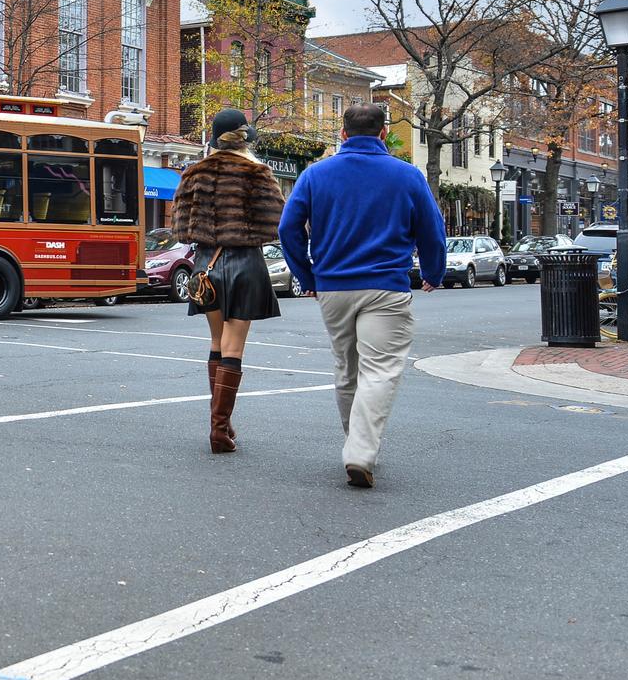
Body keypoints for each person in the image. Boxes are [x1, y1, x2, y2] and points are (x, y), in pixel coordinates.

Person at [277, 102, 446, 489]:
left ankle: (355, 442)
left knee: (346, 370)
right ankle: (360, 450)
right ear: (384, 133)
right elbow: (431, 230)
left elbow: (289, 228)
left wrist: (307, 275)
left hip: (334, 286)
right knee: (380, 370)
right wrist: (433, 272)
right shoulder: (407, 175)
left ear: (343, 133)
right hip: (386, 286)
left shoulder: (315, 174)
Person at [168, 108, 288, 454]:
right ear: (244, 138)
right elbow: (276, 223)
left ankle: (221, 423)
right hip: (245, 264)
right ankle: (218, 429)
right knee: (235, 349)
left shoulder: (193, 173)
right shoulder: (257, 172)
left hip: (206, 265)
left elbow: (180, 228)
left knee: (217, 343)